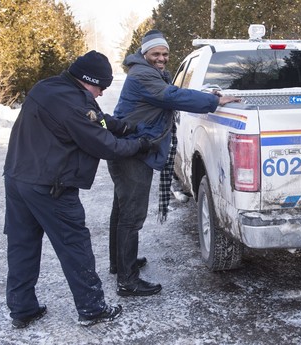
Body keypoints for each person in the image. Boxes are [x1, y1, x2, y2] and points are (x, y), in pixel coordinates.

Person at [3, 50, 154, 328]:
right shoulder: (74, 104)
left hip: (16, 178)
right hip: (51, 186)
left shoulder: (49, 86)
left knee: (22, 245)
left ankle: (22, 309)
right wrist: (140, 144)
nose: (101, 94)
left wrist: (122, 126)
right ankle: (92, 309)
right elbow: (105, 146)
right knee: (75, 246)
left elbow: (97, 120)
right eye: (101, 87)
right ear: (88, 80)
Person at [108, 30, 239, 296]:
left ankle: (120, 264)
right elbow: (172, 97)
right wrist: (214, 101)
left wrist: (207, 94)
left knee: (122, 212)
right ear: (145, 53)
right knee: (131, 217)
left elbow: (174, 91)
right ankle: (127, 281)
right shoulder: (143, 75)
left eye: (165, 54)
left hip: (129, 150)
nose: (162, 58)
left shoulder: (148, 73)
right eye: (156, 53)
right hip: (133, 153)